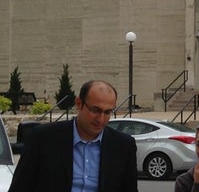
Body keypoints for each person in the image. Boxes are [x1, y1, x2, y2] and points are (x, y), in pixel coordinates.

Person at [9, 80, 138, 192]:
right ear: (79, 104)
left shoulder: (123, 146)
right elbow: (20, 187)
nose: (101, 119)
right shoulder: (44, 139)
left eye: (107, 112)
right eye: (95, 110)